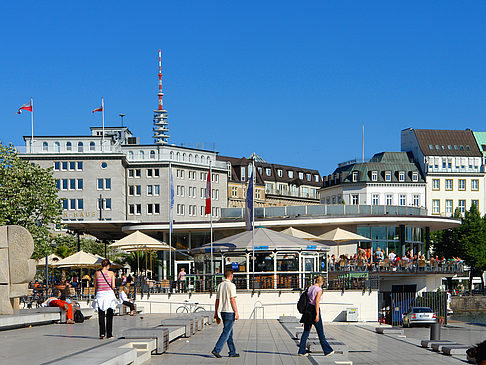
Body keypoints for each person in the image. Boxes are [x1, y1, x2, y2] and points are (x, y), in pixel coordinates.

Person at [298, 275, 334, 357]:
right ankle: (327, 350)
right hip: (314, 310)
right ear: (321, 282)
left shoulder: (310, 288)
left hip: (308, 310)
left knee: (306, 331)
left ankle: (301, 351)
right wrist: (317, 315)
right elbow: (317, 302)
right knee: (320, 332)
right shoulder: (319, 290)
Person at [211, 269, 239, 358]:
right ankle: (216, 349)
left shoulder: (220, 285)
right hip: (229, 311)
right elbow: (232, 299)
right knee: (226, 331)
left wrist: (216, 312)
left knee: (229, 332)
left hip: (222, 311)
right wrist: (236, 312)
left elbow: (217, 300)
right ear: (231, 275)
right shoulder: (231, 285)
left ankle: (232, 351)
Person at [93, 259, 118, 339]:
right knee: (110, 315)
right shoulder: (111, 273)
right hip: (109, 294)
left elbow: (95, 286)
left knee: (101, 314)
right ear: (108, 265)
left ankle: (102, 333)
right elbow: (113, 286)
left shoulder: (97, 273)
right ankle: (109, 334)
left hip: (100, 295)